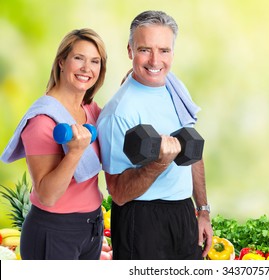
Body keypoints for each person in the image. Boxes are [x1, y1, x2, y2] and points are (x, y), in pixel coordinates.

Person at [96, 10, 213, 260]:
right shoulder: (118, 113)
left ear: (173, 52)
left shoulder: (175, 90)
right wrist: (158, 164)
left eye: (164, 50)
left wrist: (202, 211)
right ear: (130, 51)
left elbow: (193, 153)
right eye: (144, 49)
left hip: (183, 212)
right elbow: (118, 193)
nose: (155, 60)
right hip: (141, 221)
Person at [0, 28, 107, 259]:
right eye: (79, 58)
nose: (87, 68)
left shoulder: (91, 110)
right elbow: (47, 195)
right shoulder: (42, 121)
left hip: (92, 228)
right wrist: (74, 153)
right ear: (61, 62)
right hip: (54, 231)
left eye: (95, 61)